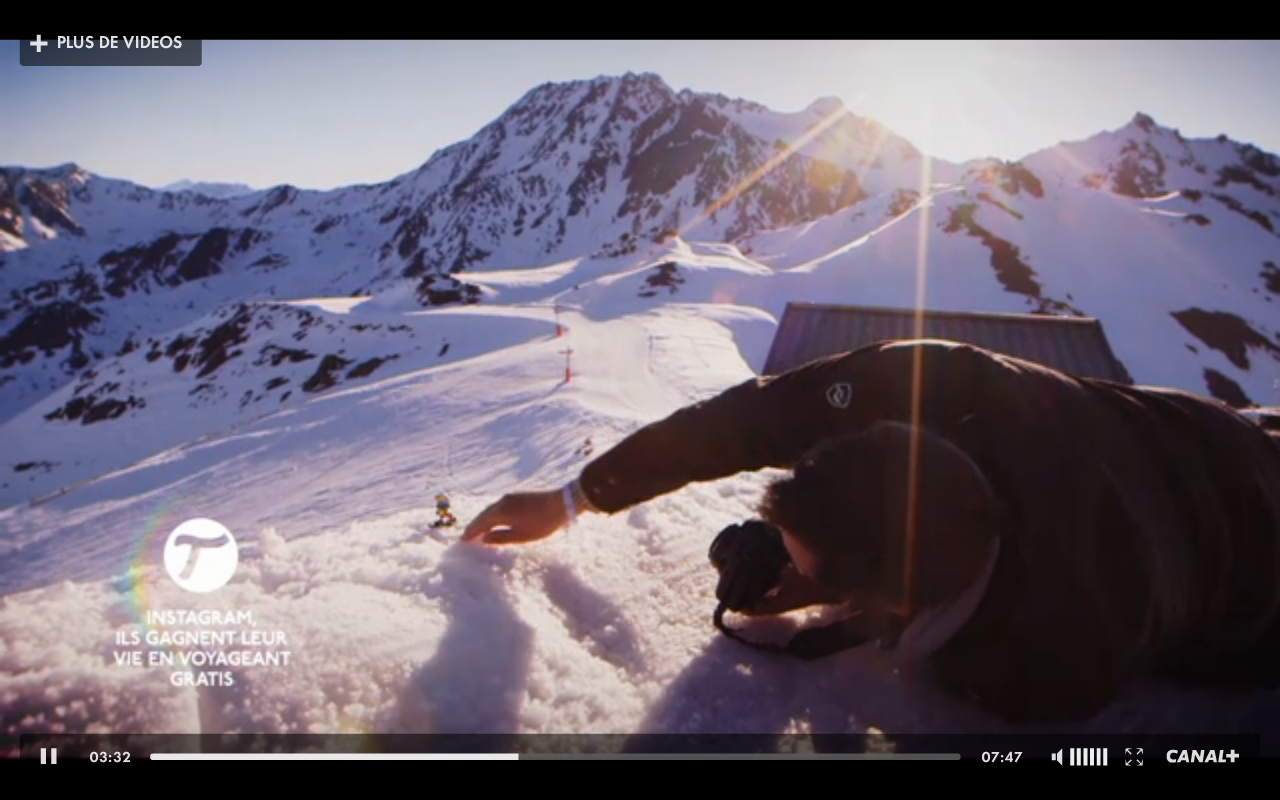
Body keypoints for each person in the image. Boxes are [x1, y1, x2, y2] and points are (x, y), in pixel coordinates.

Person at [462, 338, 1280, 724]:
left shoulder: (1044, 660)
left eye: (814, 577)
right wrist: (575, 496)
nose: (789, 577)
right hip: (1182, 423)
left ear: (886, 602)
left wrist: (845, 619)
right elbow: (748, 418)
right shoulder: (926, 381)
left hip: (1257, 545)